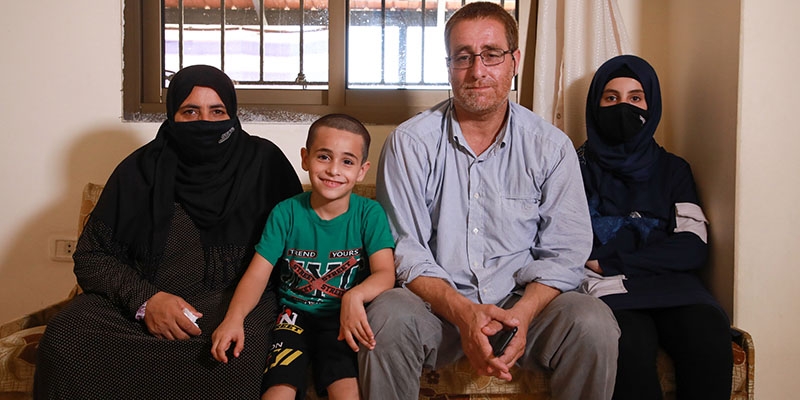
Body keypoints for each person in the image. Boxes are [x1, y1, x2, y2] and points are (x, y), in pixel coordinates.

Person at [360, 3, 620, 400]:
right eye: (463, 57)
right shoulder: (410, 143)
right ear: (448, 65)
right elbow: (405, 250)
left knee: (593, 321)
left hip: (525, 306)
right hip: (437, 308)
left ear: (514, 61)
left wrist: (523, 313)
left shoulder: (550, 147)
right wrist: (464, 314)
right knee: (387, 316)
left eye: (491, 54)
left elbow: (565, 252)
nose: (477, 71)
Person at [34, 65, 303, 399]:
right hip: (146, 304)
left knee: (237, 350)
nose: (204, 122)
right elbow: (92, 256)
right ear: (172, 115)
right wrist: (146, 301)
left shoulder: (265, 163)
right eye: (190, 111)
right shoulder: (140, 169)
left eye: (216, 111)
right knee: (66, 336)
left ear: (232, 114)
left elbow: (301, 246)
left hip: (236, 305)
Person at [579, 54, 733, 399]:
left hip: (672, 286)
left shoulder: (673, 170)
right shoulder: (574, 169)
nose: (623, 108)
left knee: (708, 331)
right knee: (628, 344)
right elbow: (571, 243)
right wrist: (609, 266)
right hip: (611, 292)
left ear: (652, 104)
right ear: (594, 105)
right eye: (611, 98)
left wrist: (613, 261)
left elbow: (692, 246)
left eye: (635, 98)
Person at [211, 114, 396, 400]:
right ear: (305, 158)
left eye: (347, 161)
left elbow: (385, 273)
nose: (334, 170)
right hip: (291, 318)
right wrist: (233, 319)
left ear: (362, 170)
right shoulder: (285, 213)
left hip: (340, 320)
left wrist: (353, 296)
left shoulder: (368, 214)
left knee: (347, 392)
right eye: (324, 157)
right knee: (277, 393)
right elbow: (258, 274)